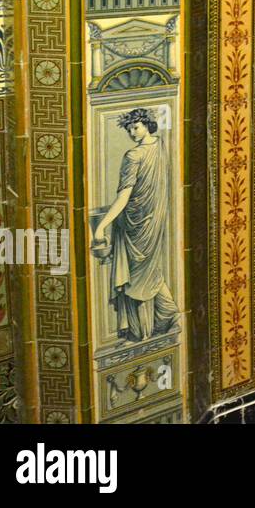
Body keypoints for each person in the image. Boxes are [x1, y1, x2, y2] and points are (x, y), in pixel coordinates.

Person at [91, 107, 178, 343]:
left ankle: (143, 331)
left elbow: (123, 197)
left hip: (135, 226)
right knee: (150, 272)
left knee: (136, 278)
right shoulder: (162, 146)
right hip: (154, 220)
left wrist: (101, 227)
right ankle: (164, 315)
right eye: (129, 129)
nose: (131, 132)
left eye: (135, 127)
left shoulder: (134, 156)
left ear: (147, 124)